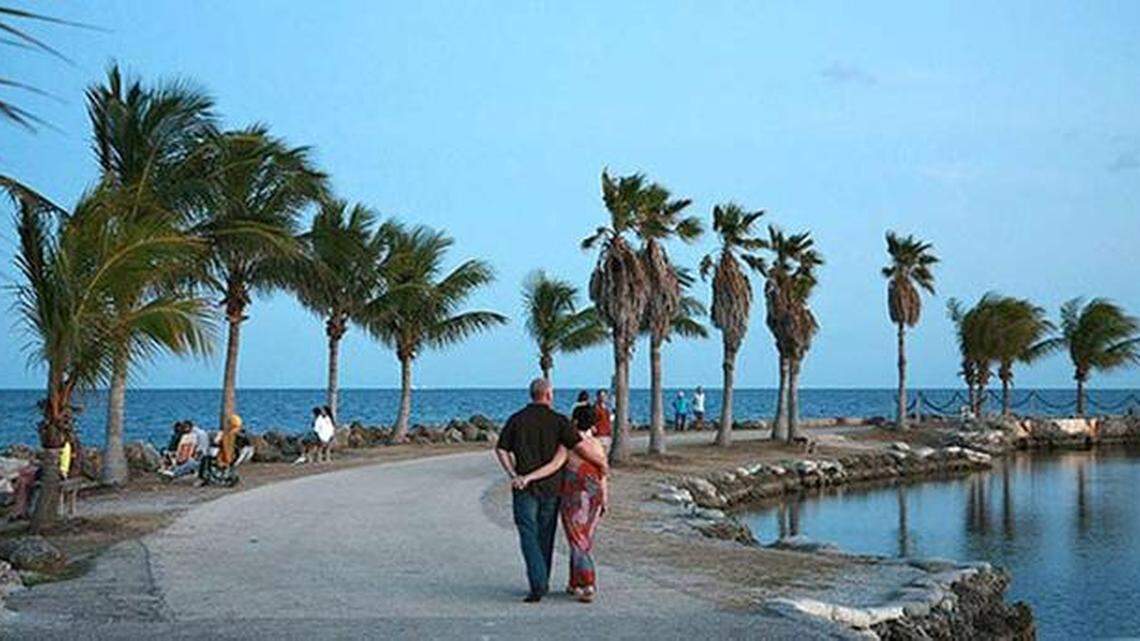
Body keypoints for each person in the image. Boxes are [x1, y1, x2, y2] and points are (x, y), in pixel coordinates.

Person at [494, 378, 609, 603]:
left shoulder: (516, 419)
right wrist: (602, 464)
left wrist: (513, 474)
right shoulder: (558, 421)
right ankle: (543, 579)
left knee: (528, 534)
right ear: (548, 395)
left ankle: (538, 583)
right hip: (551, 488)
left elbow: (501, 449)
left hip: (523, 488)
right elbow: (580, 447)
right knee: (545, 535)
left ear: (532, 394)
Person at [516, 407, 608, 603]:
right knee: (584, 539)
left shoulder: (569, 445)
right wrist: (605, 498)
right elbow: (603, 474)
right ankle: (575, 583)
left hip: (573, 496)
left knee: (577, 540)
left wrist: (529, 477)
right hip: (594, 496)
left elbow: (555, 465)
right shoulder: (597, 445)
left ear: (574, 422)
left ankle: (587, 583)